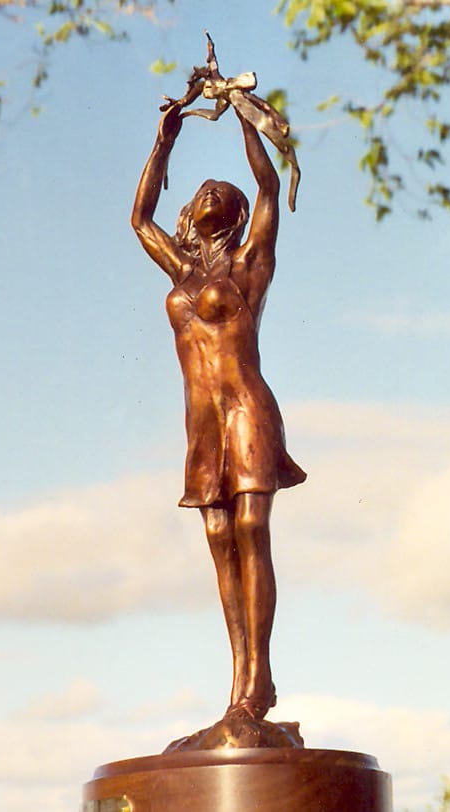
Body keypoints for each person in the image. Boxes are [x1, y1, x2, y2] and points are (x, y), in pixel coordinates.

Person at [131, 102, 306, 721]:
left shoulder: (249, 266)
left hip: (247, 410)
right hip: (203, 425)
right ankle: (239, 684)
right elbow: (140, 219)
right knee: (217, 535)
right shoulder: (182, 269)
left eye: (218, 192)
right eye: (201, 190)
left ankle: (260, 682)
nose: (208, 192)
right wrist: (165, 140)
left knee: (253, 528)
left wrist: (238, 110)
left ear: (231, 218)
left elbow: (266, 185)